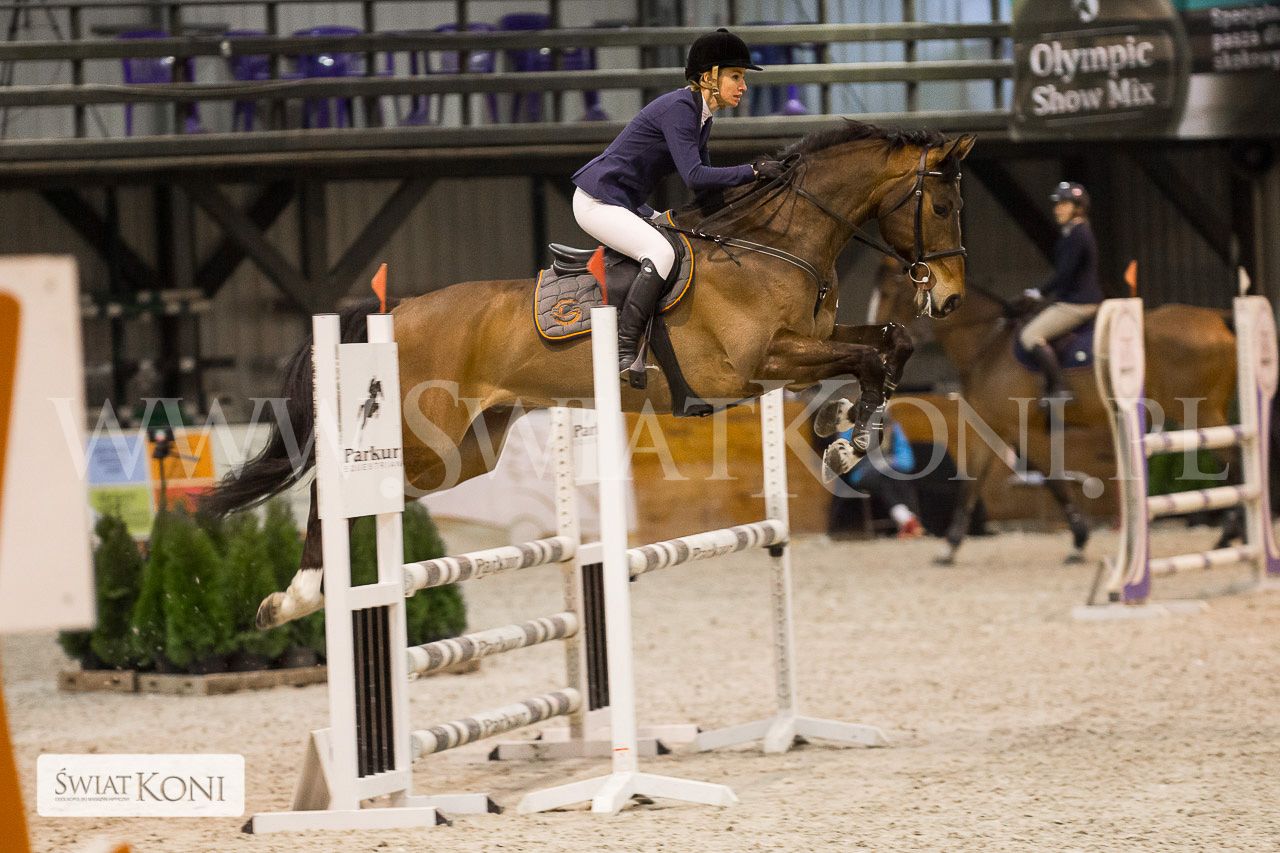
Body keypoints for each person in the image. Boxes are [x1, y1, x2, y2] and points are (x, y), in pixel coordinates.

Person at [571, 28, 786, 382]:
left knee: (683, 239)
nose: (743, 86)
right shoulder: (680, 109)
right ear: (709, 77)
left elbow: (708, 192)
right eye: (736, 76)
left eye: (742, 78)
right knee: (661, 253)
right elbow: (696, 176)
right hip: (598, 201)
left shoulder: (701, 115)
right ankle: (624, 350)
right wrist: (752, 171)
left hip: (627, 203)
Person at [1018, 181, 1103, 403]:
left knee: (1030, 335)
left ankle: (1059, 388)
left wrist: (1038, 292)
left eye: (1064, 205)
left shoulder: (1078, 234)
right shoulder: (1074, 232)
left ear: (1078, 208)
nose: (1057, 209)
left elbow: (1064, 274)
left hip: (1078, 303)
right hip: (1072, 299)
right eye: (1057, 205)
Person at [829, 415, 924, 539]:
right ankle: (909, 521)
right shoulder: (850, 428)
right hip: (863, 474)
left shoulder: (892, 426)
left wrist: (889, 463)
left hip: (891, 472)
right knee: (884, 480)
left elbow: (907, 461)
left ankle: (906, 521)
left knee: (896, 478)